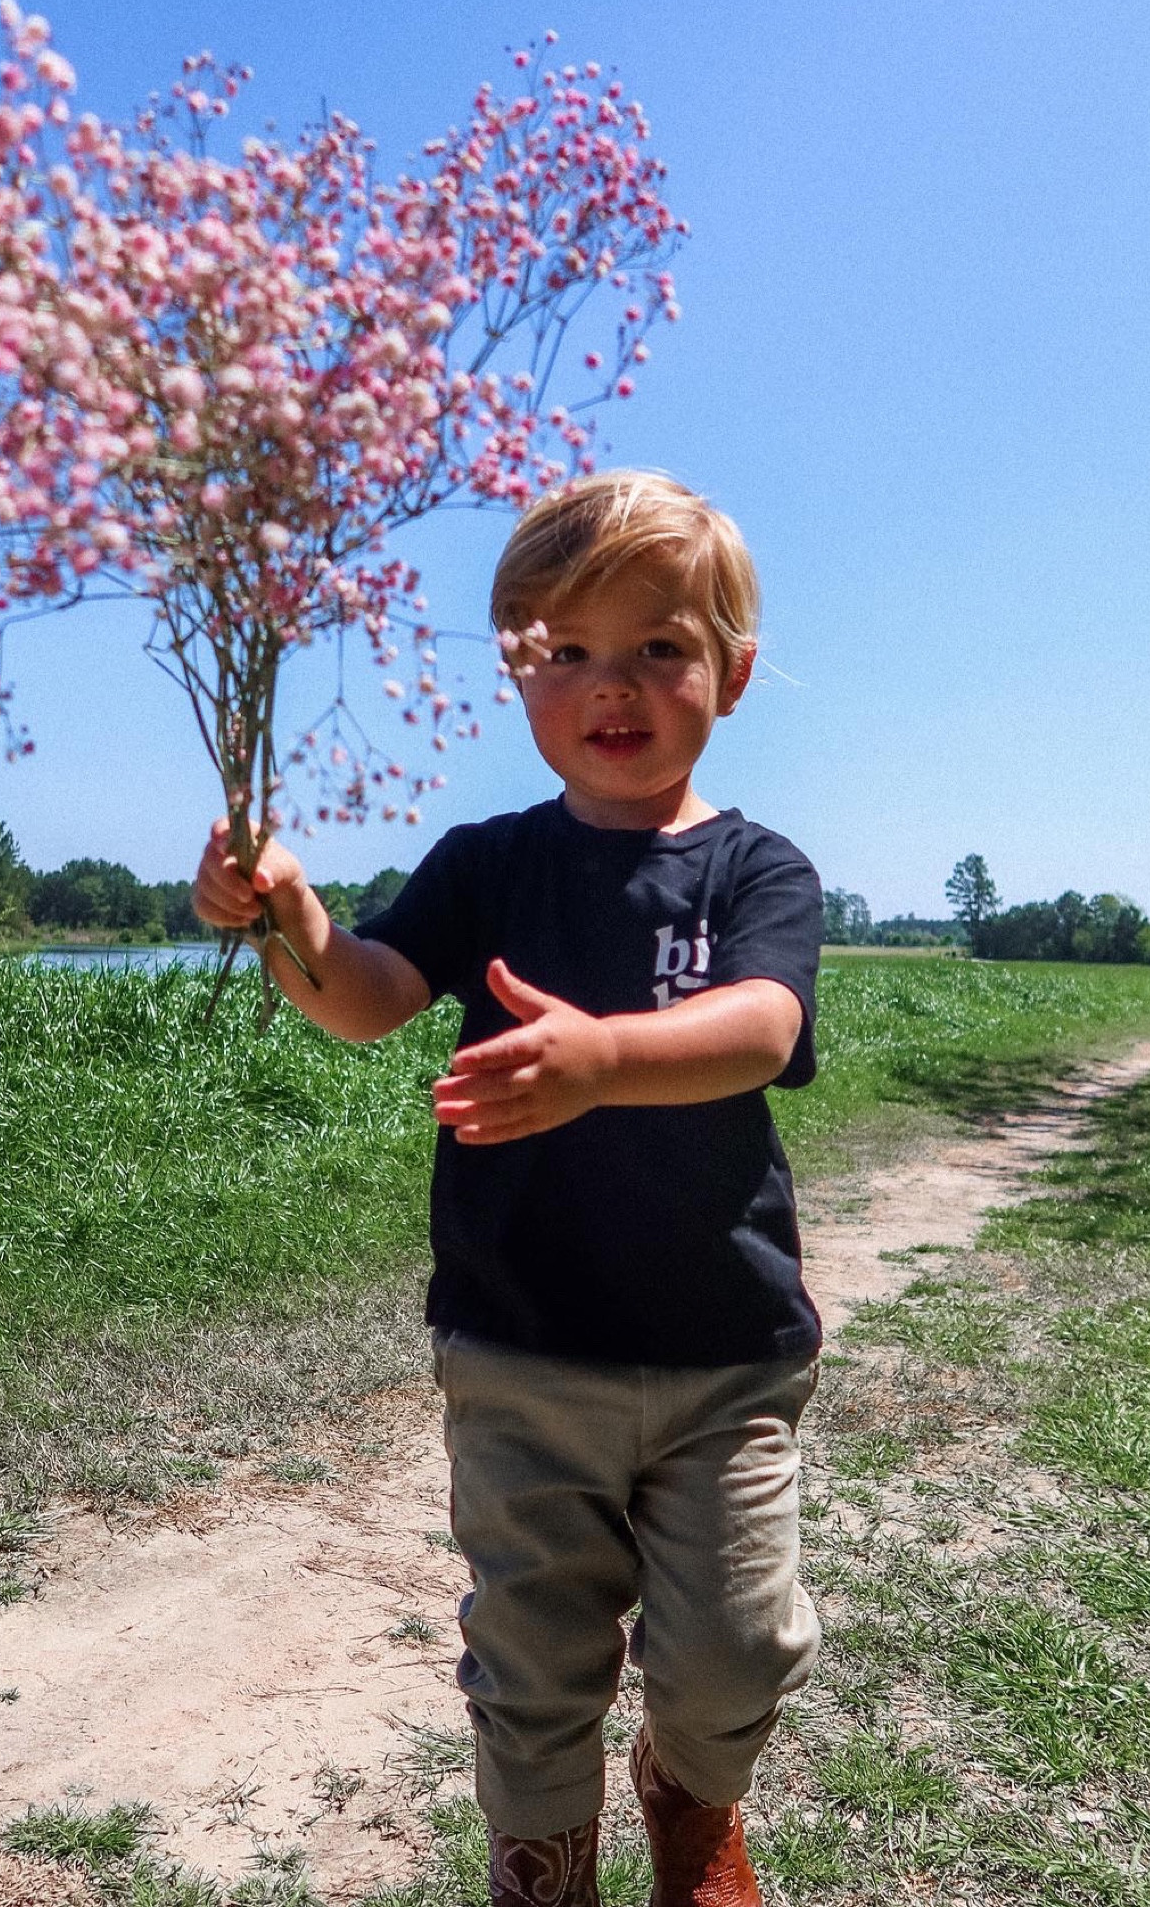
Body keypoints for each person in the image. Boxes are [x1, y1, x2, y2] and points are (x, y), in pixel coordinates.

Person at [192, 471, 823, 1907]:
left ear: (728, 672)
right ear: (517, 678)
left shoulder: (752, 870)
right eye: (568, 653)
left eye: (659, 647)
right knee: (534, 1661)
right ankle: (544, 1863)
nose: (615, 685)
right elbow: (364, 998)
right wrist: (289, 912)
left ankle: (693, 1793)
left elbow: (763, 1030)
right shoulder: (486, 864)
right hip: (520, 1346)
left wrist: (602, 1059)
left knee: (731, 1655)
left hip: (725, 1352)